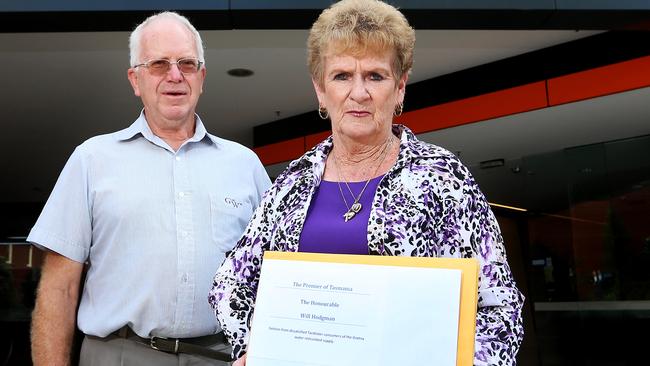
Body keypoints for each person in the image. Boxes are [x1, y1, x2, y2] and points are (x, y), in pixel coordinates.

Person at [209, 0, 524, 365]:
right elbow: (230, 282)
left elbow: (501, 309)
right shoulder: (291, 183)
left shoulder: (442, 177)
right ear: (321, 91)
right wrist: (255, 348)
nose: (358, 93)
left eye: (375, 75)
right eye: (342, 75)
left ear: (400, 87)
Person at [28, 11, 271, 366]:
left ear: (202, 77)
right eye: (159, 64)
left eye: (187, 64)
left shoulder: (245, 165)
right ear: (135, 79)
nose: (175, 75)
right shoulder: (91, 160)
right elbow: (58, 289)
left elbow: (274, 273)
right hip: (120, 354)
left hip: (221, 356)